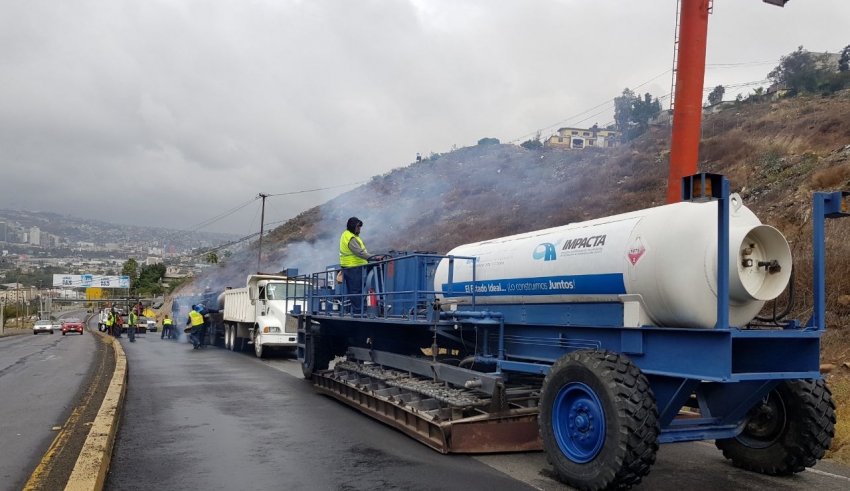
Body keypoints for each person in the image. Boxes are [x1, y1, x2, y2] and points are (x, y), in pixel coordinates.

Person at [339, 217, 373, 315]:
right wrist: (373, 257)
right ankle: (358, 312)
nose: (359, 229)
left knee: (357, 290)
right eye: (358, 227)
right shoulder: (350, 237)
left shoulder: (353, 236)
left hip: (356, 267)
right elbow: (359, 252)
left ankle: (360, 310)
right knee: (356, 291)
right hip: (353, 267)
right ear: (353, 227)